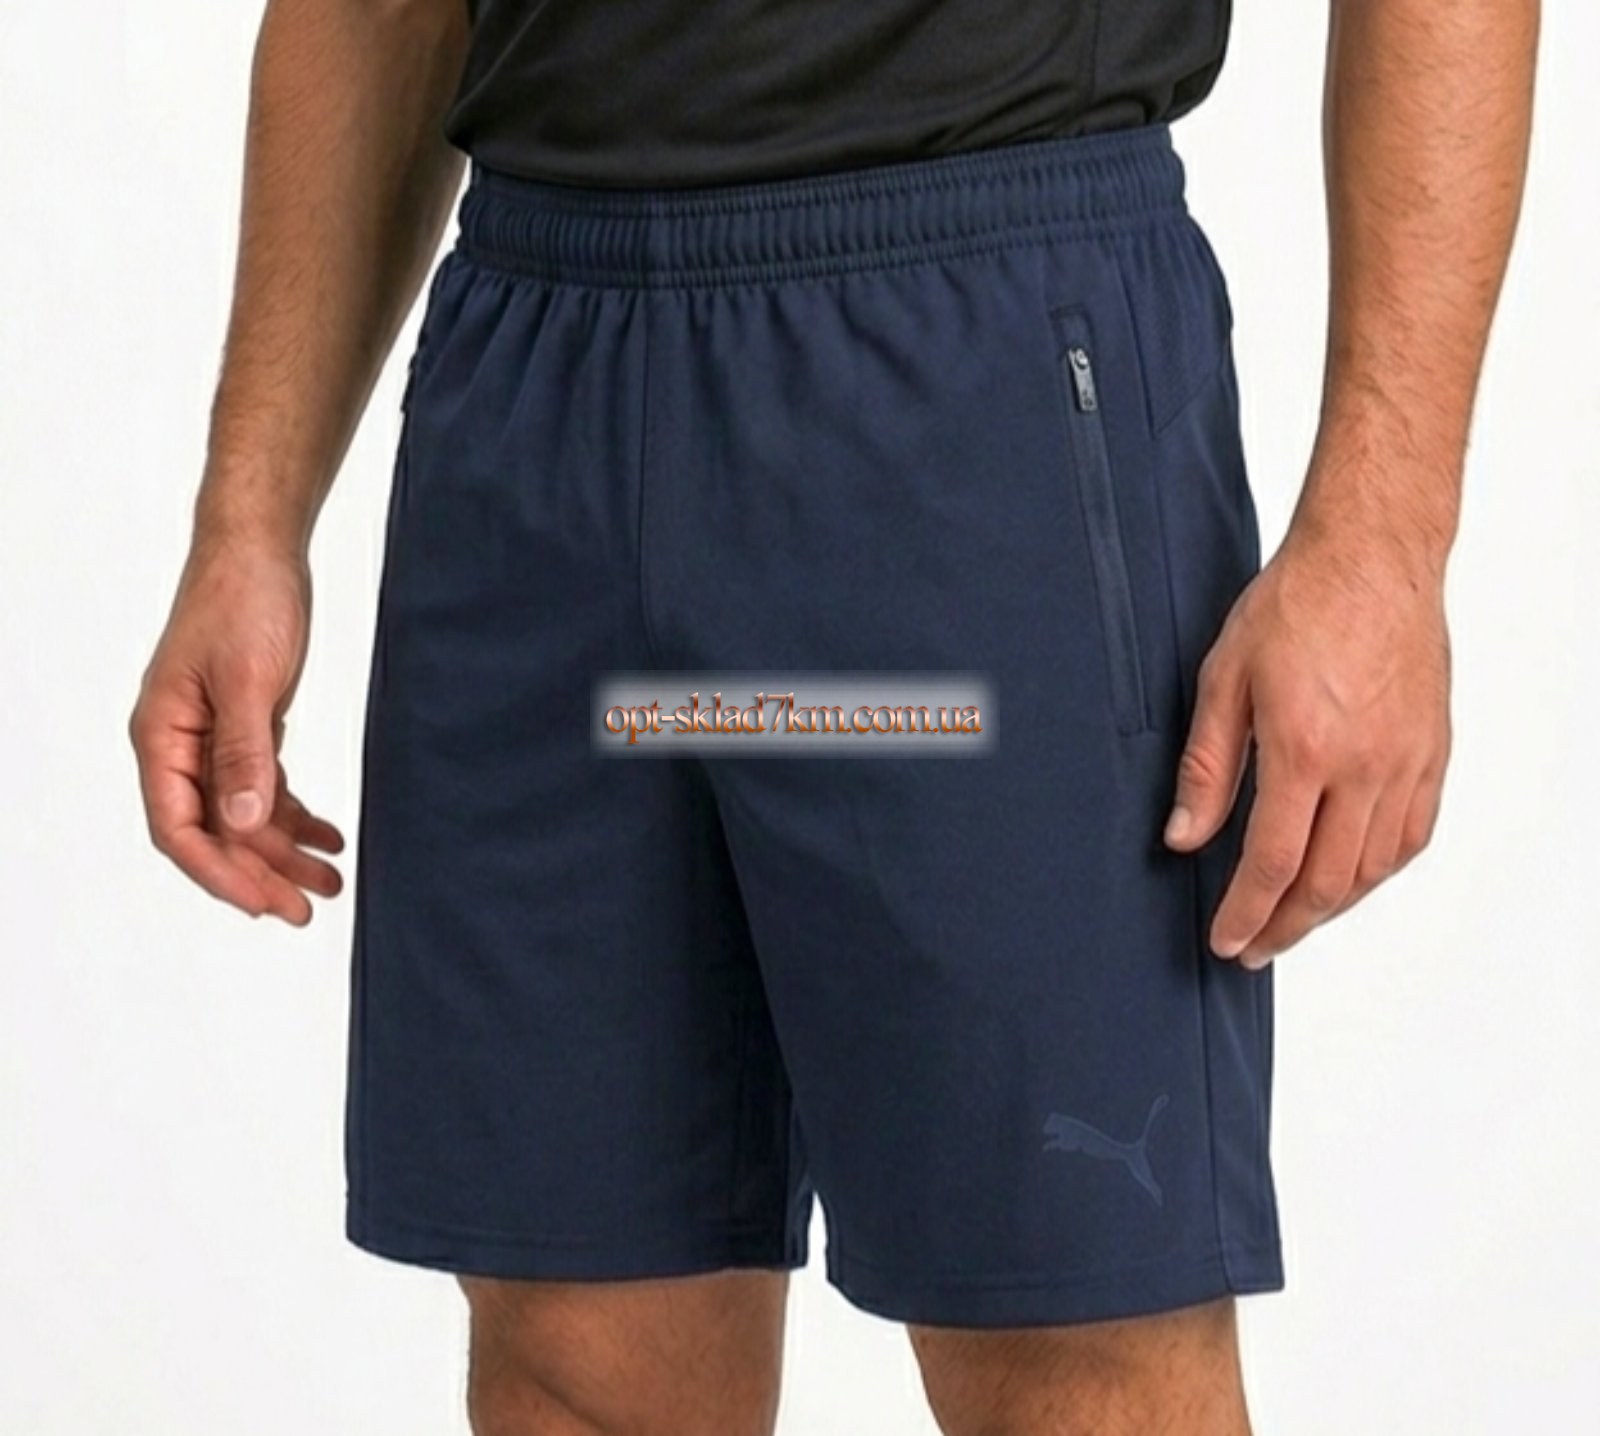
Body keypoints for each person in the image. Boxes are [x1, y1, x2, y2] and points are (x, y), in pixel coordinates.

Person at [128, 1, 1538, 1430]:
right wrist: (249, 517)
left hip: (969, 381)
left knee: (1074, 1351)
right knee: (573, 1358)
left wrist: (1382, 543)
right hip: (541, 402)